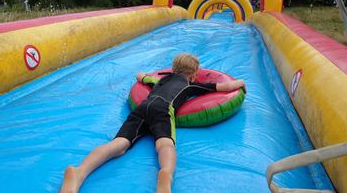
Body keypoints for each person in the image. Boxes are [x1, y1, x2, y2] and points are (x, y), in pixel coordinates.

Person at [60, 53, 246, 193]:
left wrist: (144, 76)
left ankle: (79, 171)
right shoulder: (190, 85)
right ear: (193, 76)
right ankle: (165, 173)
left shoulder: (159, 80)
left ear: (173, 69)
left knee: (119, 144)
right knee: (164, 144)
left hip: (143, 107)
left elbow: (140, 76)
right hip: (163, 110)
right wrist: (240, 82)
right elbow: (224, 86)